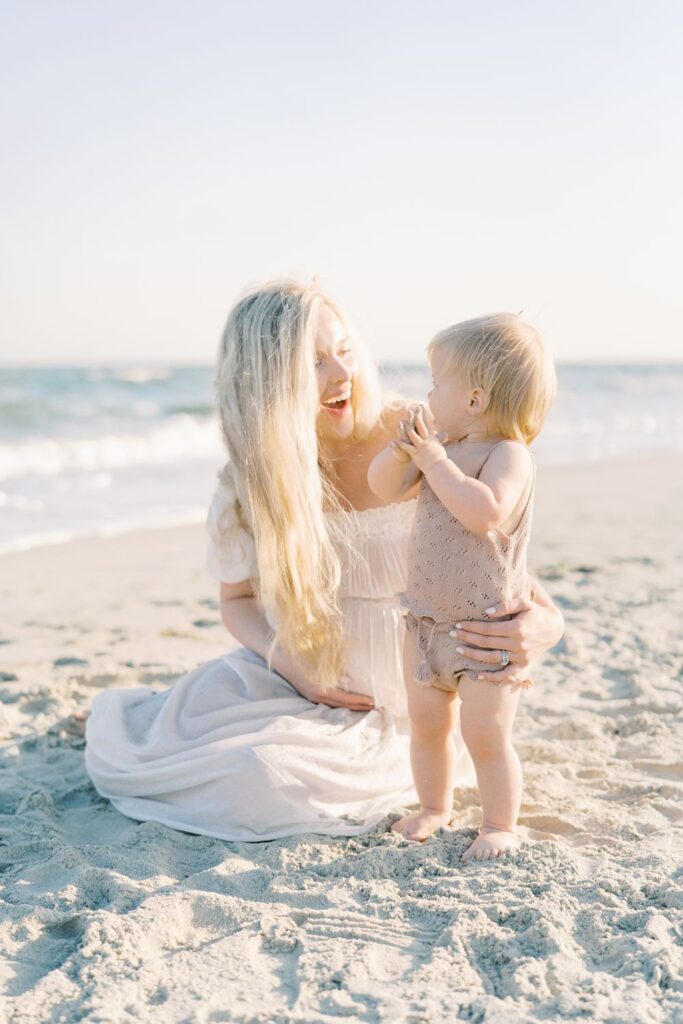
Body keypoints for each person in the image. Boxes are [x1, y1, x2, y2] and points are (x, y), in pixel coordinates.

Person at [84, 284, 563, 842]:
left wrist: (545, 627)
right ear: (267, 380)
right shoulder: (251, 480)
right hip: (304, 680)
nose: (342, 375)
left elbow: (497, 562)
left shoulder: (425, 435)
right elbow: (237, 602)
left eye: (344, 350)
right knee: (190, 746)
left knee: (264, 780)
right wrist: (296, 669)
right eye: (313, 361)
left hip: (419, 690)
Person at [368, 313, 556, 861]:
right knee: (426, 725)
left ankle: (499, 823)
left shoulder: (508, 456)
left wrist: (434, 460)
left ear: (474, 399)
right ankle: (433, 806)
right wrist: (406, 451)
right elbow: (384, 487)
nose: (426, 393)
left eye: (435, 382)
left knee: (485, 735)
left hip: (486, 631)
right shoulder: (442, 447)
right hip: (427, 623)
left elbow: (485, 512)